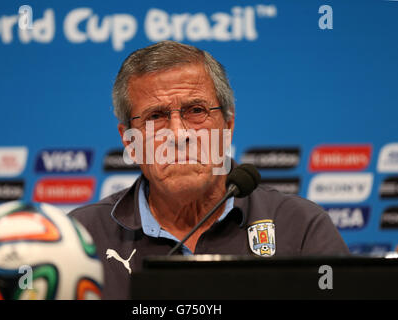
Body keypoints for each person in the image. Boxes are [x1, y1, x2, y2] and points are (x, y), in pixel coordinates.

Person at [70, 40, 349, 299]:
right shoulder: (82, 237)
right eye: (156, 117)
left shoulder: (299, 227)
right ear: (129, 141)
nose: (178, 134)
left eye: (196, 111)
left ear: (227, 126)